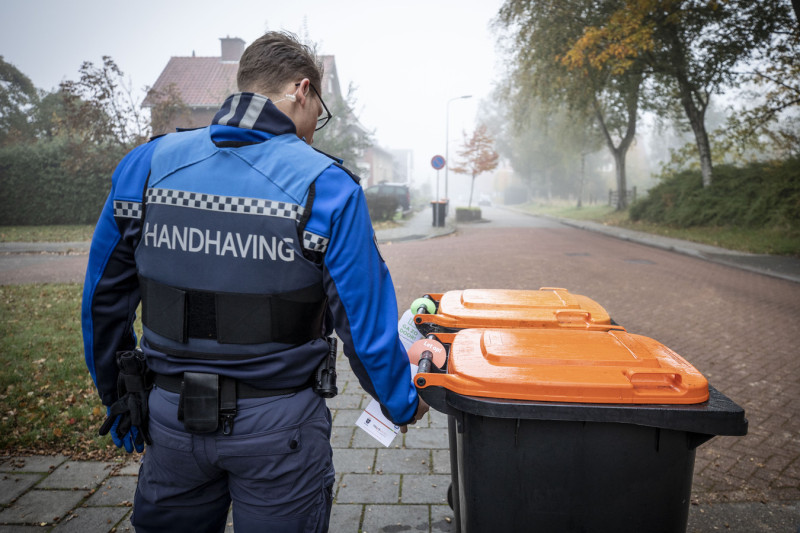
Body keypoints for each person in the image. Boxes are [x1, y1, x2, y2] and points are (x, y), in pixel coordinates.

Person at [82, 31, 428, 533]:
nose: (313, 130)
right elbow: (365, 325)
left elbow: (102, 299)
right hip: (279, 429)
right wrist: (401, 402)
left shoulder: (145, 167)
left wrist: (120, 396)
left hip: (169, 417)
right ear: (302, 91)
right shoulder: (326, 186)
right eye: (319, 113)